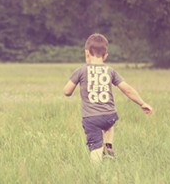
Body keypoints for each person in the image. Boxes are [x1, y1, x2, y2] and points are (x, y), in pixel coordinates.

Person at [63, 33, 153, 164]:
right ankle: (109, 145)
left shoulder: (81, 71)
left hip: (91, 118)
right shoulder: (110, 71)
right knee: (108, 124)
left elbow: (67, 91)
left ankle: (96, 172)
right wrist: (142, 103)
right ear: (105, 56)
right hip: (109, 115)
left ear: (87, 53)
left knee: (95, 148)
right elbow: (127, 89)